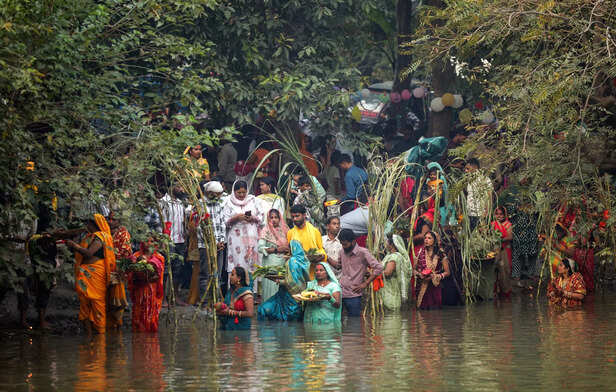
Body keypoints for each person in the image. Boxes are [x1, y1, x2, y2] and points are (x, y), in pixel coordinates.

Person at [66, 215, 115, 335]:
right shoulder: (89, 237)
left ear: (93, 224)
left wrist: (74, 246)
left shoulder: (100, 237)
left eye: (87, 224)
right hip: (85, 272)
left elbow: (88, 253)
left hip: (96, 272)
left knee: (97, 303)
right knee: (84, 303)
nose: (86, 227)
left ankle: (100, 337)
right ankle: (88, 335)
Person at [222, 181, 262, 288]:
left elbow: (261, 219)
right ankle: (235, 292)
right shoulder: (228, 202)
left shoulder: (253, 201)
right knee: (236, 262)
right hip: (235, 239)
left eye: (244, 192)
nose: (241, 195)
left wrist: (252, 217)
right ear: (234, 191)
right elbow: (224, 222)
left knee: (250, 263)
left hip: (251, 238)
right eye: (238, 192)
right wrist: (236, 218)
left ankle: (250, 292)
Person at [258, 240, 309, 321]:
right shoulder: (304, 260)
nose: (287, 250)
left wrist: (277, 280)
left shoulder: (292, 261)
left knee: (264, 310)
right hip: (298, 297)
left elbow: (292, 281)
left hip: (290, 297)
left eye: (289, 247)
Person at [338, 228, 383, 317]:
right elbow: (338, 266)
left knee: (354, 324)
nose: (343, 246)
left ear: (353, 241)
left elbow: (379, 267)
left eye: (345, 244)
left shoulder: (363, 252)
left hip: (354, 295)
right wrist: (326, 257)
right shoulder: (342, 252)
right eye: (342, 244)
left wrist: (365, 283)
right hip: (340, 293)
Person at [128, 240, 165, 332]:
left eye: (151, 241)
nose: (148, 243)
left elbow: (159, 277)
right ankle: (138, 339)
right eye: (146, 241)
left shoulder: (159, 257)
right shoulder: (135, 256)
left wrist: (148, 278)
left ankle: (151, 339)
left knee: (151, 315)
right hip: (139, 291)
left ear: (155, 244)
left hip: (152, 292)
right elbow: (130, 275)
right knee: (138, 314)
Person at [159, 186, 187, 305]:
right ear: (171, 185)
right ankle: (163, 297)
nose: (181, 188)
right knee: (165, 270)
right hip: (168, 240)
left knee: (178, 269)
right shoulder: (162, 202)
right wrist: (163, 240)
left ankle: (175, 296)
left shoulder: (181, 203)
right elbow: (161, 223)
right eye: (178, 185)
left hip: (180, 239)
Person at [287, 204, 327, 280]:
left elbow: (321, 250)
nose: (295, 219)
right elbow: (290, 253)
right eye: (293, 217)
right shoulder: (290, 233)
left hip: (312, 271)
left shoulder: (315, 231)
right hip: (297, 272)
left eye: (297, 216)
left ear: (304, 215)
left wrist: (320, 256)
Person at [258, 209, 289, 302]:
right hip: (270, 262)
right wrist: (276, 249)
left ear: (280, 218)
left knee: (281, 286)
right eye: (271, 217)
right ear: (268, 219)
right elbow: (260, 248)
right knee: (270, 286)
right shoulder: (266, 230)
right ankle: (269, 308)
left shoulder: (285, 230)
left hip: (283, 262)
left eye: (276, 217)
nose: (274, 220)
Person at [413, 231, 450, 310]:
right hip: (422, 285)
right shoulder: (420, 252)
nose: (426, 240)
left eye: (429, 238)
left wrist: (437, 276)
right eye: (425, 238)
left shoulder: (440, 254)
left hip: (435, 286)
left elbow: (447, 272)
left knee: (435, 314)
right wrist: (419, 274)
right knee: (422, 311)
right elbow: (414, 269)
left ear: (435, 240)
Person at [379, 235, 411, 311]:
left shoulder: (395, 257)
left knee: (391, 320)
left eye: (387, 242)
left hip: (390, 292)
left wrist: (373, 275)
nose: (385, 244)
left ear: (392, 244)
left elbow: (387, 272)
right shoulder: (389, 255)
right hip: (389, 291)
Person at [465, 158, 493, 230]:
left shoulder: (485, 180)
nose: (466, 171)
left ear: (474, 167)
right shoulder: (469, 181)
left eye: (468, 168)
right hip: (469, 214)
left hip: (481, 215)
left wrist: (486, 213)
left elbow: (489, 198)